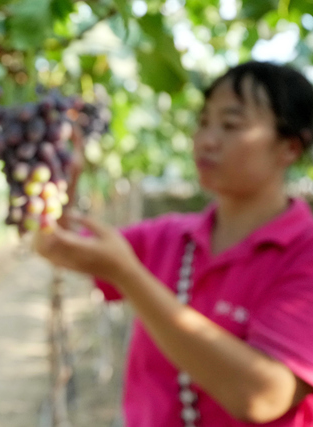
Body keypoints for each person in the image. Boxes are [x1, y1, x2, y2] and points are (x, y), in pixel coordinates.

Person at [35, 61, 313, 426]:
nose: (207, 140)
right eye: (203, 123)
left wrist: (129, 276)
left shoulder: (303, 254)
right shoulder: (168, 237)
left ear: (289, 148)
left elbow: (262, 396)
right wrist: (58, 181)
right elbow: (59, 246)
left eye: (230, 125)